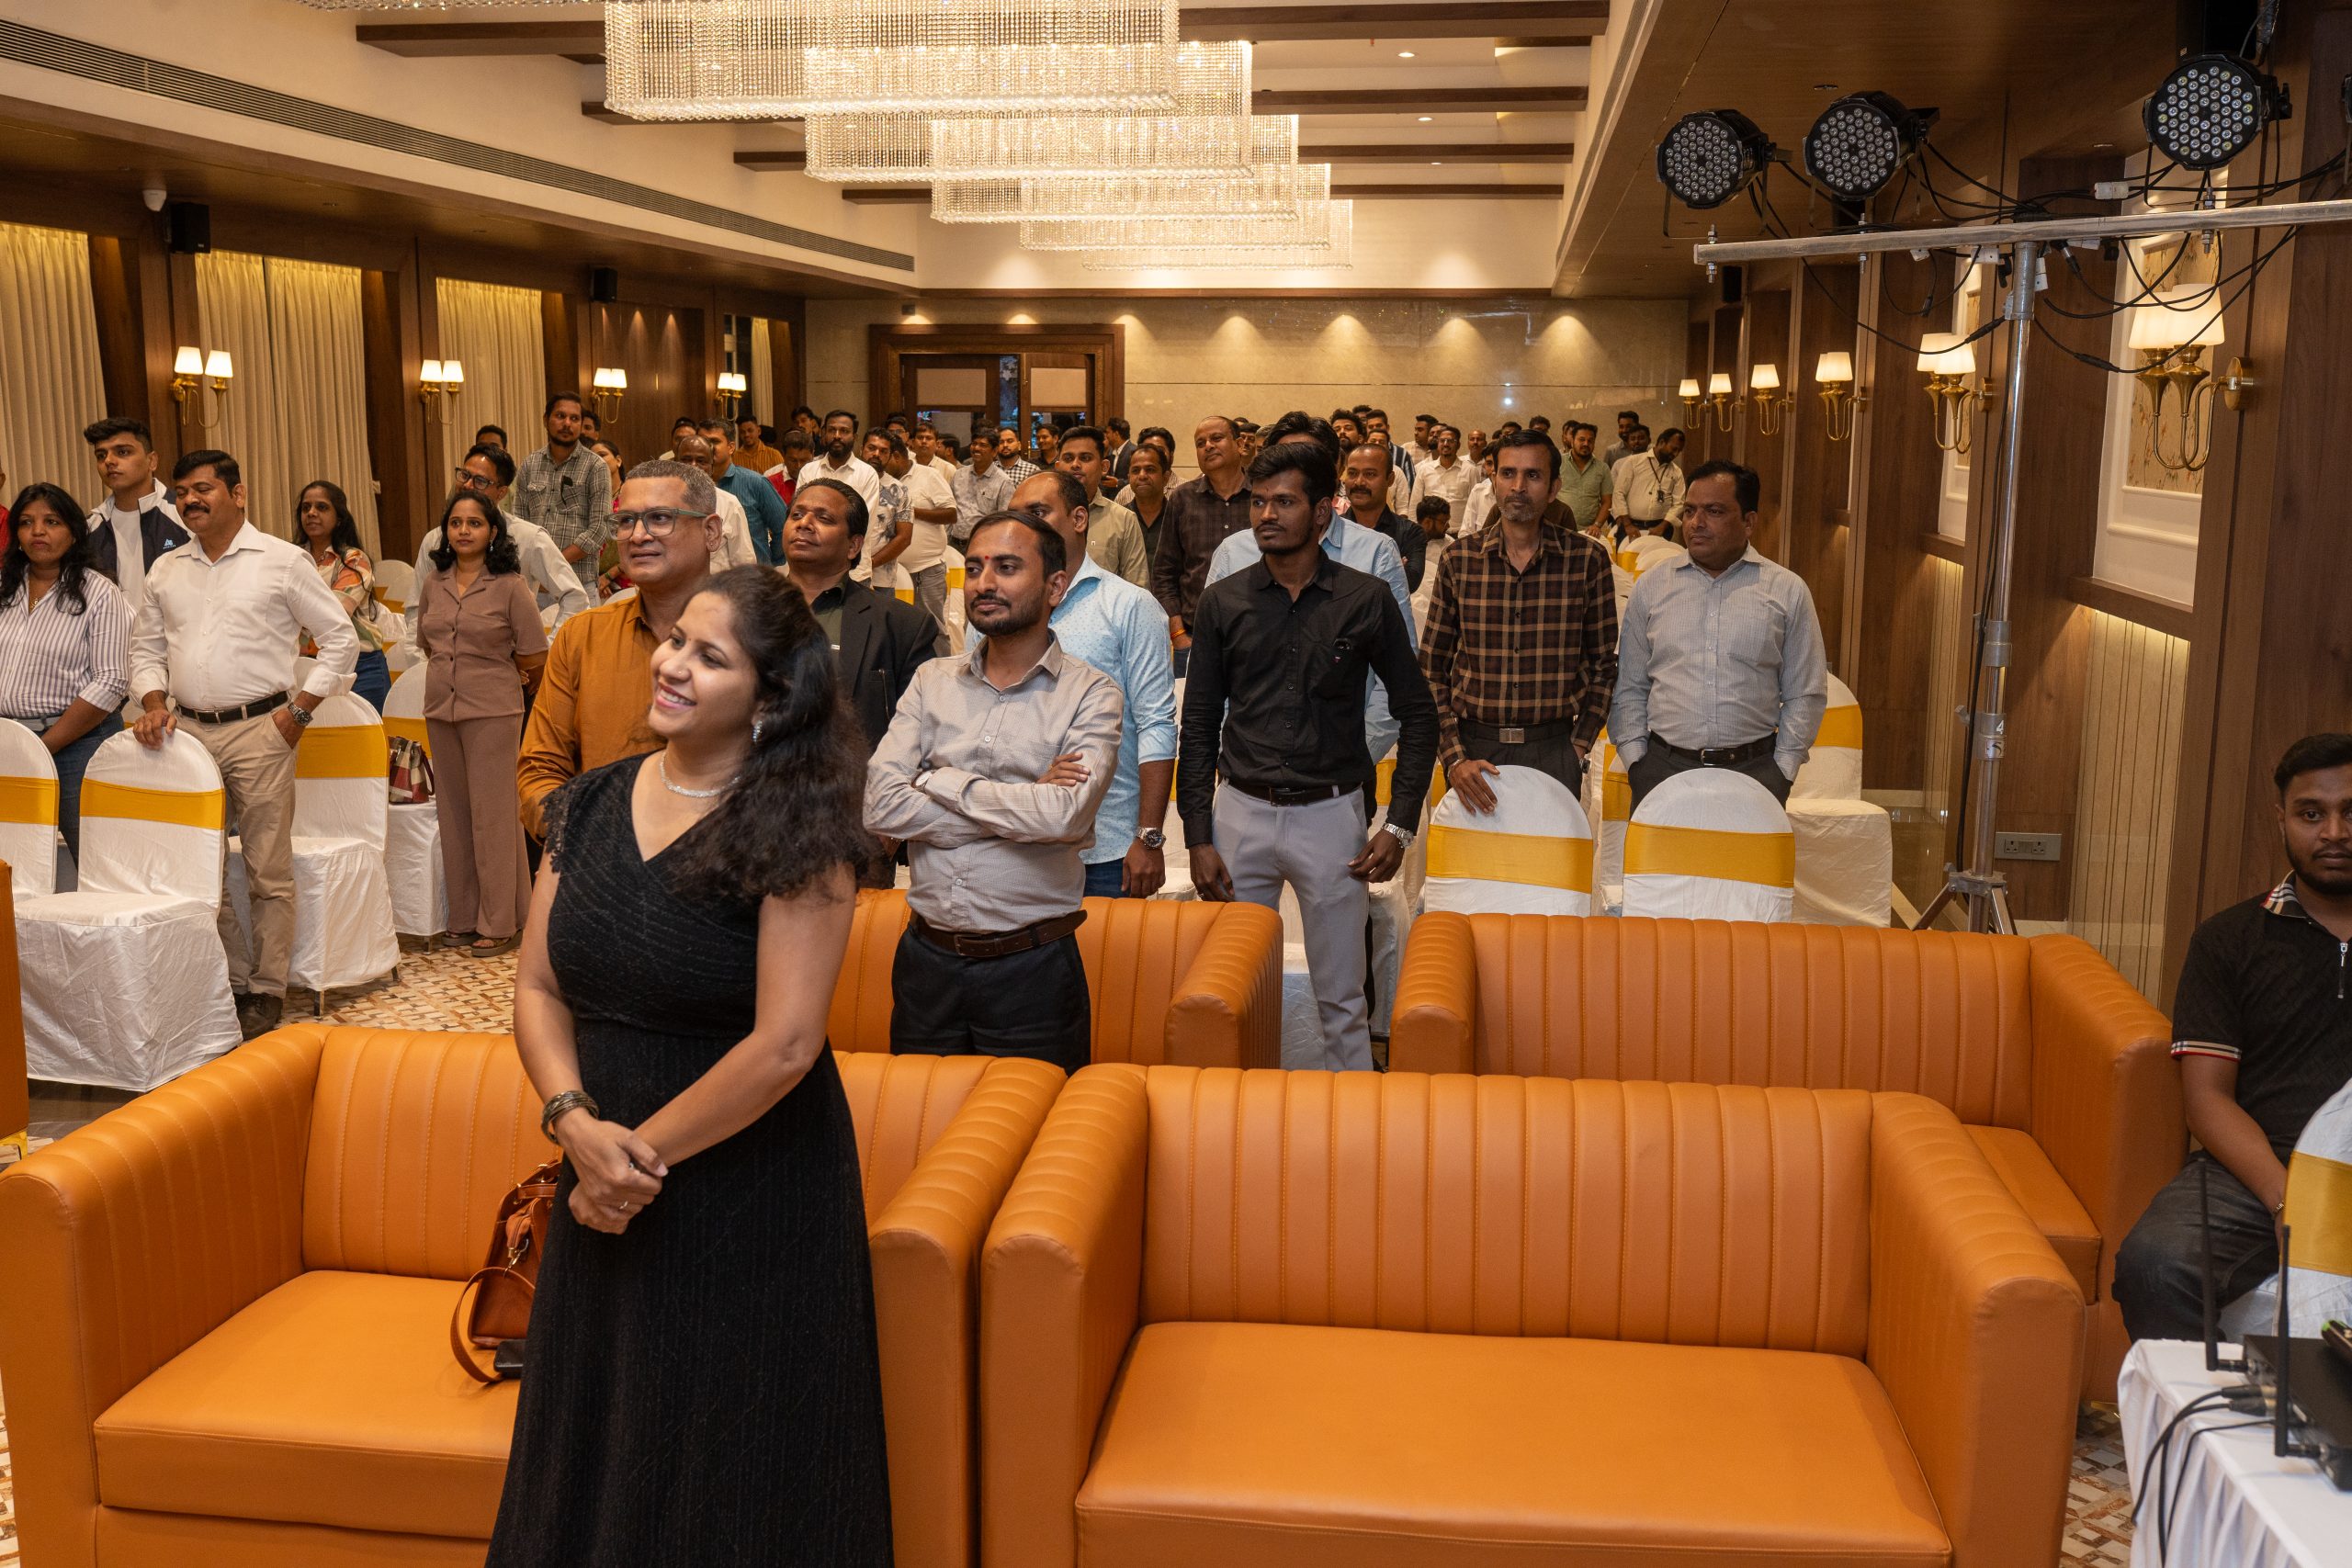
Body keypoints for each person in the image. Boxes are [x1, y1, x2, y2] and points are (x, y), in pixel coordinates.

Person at [488, 566, 892, 1568]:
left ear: (770, 697)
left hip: (744, 1183)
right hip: (601, 1168)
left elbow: (786, 1044)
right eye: (676, 641)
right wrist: (575, 1123)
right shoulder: (587, 802)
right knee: (593, 1431)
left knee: (729, 1460)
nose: (671, 665)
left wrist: (631, 1162)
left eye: (710, 658)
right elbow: (537, 986)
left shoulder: (799, 830)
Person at [1180, 443, 1438, 1073]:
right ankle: (1237, 1119)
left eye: (1284, 502)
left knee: (1343, 1002)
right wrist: (1198, 836)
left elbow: (1419, 713)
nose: (1266, 515)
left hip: (1331, 817)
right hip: (1240, 813)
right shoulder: (1225, 601)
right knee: (1230, 995)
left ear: (1323, 511)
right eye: (1258, 502)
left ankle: (1352, 1128)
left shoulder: (1365, 598)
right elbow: (1199, 722)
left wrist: (1399, 825)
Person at [2112, 734, 2352, 1342]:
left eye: (2351, 812)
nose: (2334, 832)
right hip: (2257, 1169)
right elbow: (2207, 1100)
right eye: (2311, 814)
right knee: (2156, 1265)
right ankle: (2212, 1405)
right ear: (2282, 818)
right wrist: (2287, 1200)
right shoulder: (2228, 940)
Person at [865, 511, 1121, 1076]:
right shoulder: (931, 681)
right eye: (976, 567)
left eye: (1007, 567)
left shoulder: (1092, 694)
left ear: (1055, 586)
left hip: (1032, 970)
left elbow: (1064, 816)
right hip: (925, 963)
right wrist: (1025, 800)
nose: (984, 582)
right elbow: (880, 803)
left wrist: (936, 780)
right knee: (921, 1118)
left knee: (1034, 1123)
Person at [127, 449, 359, 1039]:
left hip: (263, 729)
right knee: (201, 866)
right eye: (182, 492)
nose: (190, 501)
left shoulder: (281, 561)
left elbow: (340, 638)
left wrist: (299, 712)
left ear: (238, 494)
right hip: (186, 735)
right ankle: (230, 981)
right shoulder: (166, 569)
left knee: (266, 870)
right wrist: (153, 703)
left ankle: (267, 988)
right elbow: (146, 650)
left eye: (203, 489)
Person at [519, 460, 719, 841]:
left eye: (660, 518)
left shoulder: (758, 637)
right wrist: (591, 838)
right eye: (626, 521)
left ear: (710, 531)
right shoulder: (582, 637)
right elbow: (540, 770)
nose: (638, 536)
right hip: (597, 853)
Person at [1611, 460, 1826, 808]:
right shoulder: (1652, 586)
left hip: (1754, 772)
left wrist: (1782, 772)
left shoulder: (1787, 591)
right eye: (1690, 510)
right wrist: (1638, 763)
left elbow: (1805, 693)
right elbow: (1629, 686)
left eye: (1714, 511)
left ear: (1749, 522)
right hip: (1663, 769)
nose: (1695, 523)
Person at [1420, 430, 1618, 805]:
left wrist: (1577, 747)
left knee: (1551, 845)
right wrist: (1453, 756)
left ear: (1554, 487)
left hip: (1554, 748)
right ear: (1493, 480)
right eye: (1508, 473)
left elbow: (1604, 666)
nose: (1518, 487)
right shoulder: (1460, 560)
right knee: (1470, 847)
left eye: (1533, 475)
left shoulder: (1586, 561)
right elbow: (1431, 669)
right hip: (1474, 750)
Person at [1006, 469, 1176, 898]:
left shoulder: (1128, 607)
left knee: (1109, 946)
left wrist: (1149, 836)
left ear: (1079, 519)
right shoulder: (997, 608)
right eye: (1015, 515)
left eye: (1038, 512)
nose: (1023, 526)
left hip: (1108, 847)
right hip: (1014, 841)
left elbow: (1156, 724)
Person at [1207, 416, 1417, 762]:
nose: (1293, 472)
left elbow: (1396, 676)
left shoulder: (1375, 552)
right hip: (1247, 768)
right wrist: (1231, 752)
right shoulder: (1234, 553)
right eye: (1283, 460)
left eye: (1308, 460)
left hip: (1345, 766)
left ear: (1333, 473)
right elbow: (1211, 674)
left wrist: (1354, 756)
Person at [416, 491, 548, 957]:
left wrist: (505, 681)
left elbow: (534, 654)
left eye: (474, 523)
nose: (464, 530)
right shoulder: (434, 582)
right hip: (441, 708)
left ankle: (501, 920)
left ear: (493, 531)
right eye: (456, 523)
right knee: (454, 815)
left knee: (493, 816)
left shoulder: (510, 585)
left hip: (493, 710)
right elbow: (428, 643)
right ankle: (465, 917)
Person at [0, 482, 130, 860]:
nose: (37, 531)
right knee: (14, 861)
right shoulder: (4, 588)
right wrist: (21, 747)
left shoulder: (100, 593)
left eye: (51, 521)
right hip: (10, 744)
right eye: (26, 522)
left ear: (73, 532)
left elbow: (111, 681)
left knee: (96, 860)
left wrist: (45, 746)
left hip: (80, 746)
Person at [779, 477, 937, 754]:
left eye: (824, 518)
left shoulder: (902, 626)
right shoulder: (743, 610)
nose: (804, 524)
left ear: (854, 546)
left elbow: (921, 732)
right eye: (797, 515)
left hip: (854, 773)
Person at [413, 444, 590, 635]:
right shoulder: (434, 539)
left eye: (480, 481)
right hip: (443, 652)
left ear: (501, 492)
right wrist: (422, 653)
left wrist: (553, 646)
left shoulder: (529, 538)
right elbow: (416, 610)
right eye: (464, 475)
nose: (467, 485)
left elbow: (575, 597)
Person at [1149, 415, 1253, 653]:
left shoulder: (1262, 495)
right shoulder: (1182, 498)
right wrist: (1178, 634)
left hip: (1256, 635)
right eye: (1200, 443)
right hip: (1194, 636)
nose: (1208, 446)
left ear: (1239, 445)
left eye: (1216, 438)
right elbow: (1164, 572)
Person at [291, 480, 398, 711]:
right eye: (306, 508)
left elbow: (335, 614)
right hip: (304, 666)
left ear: (339, 517)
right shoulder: (291, 558)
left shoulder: (354, 560)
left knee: (363, 734)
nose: (311, 513)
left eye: (321, 507)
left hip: (361, 667)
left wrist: (291, 612)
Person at [508, 393, 614, 603]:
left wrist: (552, 564)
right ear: (546, 420)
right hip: (535, 587)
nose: (567, 423)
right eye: (560, 416)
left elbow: (599, 529)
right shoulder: (530, 464)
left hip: (579, 583)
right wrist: (537, 568)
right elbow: (518, 523)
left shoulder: (595, 466)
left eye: (574, 418)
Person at [84, 416, 187, 618]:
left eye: (123, 452)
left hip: (176, 635)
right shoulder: (88, 527)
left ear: (152, 461)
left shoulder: (185, 514)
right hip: (111, 636)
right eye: (101, 455)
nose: (109, 461)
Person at [876, 428, 955, 644]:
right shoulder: (881, 481)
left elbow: (951, 514)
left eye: (885, 456)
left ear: (896, 456)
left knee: (932, 630)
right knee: (898, 633)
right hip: (890, 571)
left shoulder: (929, 475)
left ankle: (940, 667)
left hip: (925, 570)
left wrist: (909, 510)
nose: (880, 462)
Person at [1052, 425, 1149, 588]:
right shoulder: (1040, 517)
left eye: (1085, 458)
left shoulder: (1123, 519)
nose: (1075, 464)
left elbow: (1137, 587)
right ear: (1057, 468)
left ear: (1104, 467)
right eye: (1068, 459)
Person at [698, 417, 789, 566]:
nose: (708, 447)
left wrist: (768, 564)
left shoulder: (755, 482)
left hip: (753, 575)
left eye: (714, 441)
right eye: (703, 442)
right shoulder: (691, 488)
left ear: (731, 447)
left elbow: (783, 528)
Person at [1344, 441, 1429, 593]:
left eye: (1370, 474)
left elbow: (1408, 584)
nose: (1359, 482)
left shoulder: (1410, 533)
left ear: (1390, 479)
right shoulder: (1330, 528)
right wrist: (1390, 569)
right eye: (1352, 473)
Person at [673, 431, 762, 571]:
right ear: (675, 463)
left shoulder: (729, 504)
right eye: (686, 460)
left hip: (718, 584)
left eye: (701, 461)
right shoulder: (660, 503)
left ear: (711, 467)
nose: (693, 466)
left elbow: (745, 565)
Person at [797, 409, 882, 521]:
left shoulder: (867, 474)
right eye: (831, 430)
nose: (837, 436)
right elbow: (800, 513)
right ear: (824, 434)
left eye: (844, 431)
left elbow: (865, 521)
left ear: (855, 437)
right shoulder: (808, 471)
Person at [1613, 426, 1687, 542]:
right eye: (1674, 449)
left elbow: (1679, 503)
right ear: (1661, 442)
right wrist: (1627, 525)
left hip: (1661, 529)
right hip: (1631, 527)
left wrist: (1662, 526)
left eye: (1679, 451)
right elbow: (1619, 493)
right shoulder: (1634, 462)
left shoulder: (1676, 472)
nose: (1676, 454)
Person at [950, 424, 1016, 551]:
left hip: (985, 546)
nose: (976, 448)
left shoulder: (1004, 482)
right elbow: (950, 509)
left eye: (983, 445)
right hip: (954, 543)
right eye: (974, 444)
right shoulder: (958, 475)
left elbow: (1005, 520)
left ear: (994, 451)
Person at [1406, 423, 1476, 532]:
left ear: (1458, 445)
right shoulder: (1425, 470)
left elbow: (1475, 505)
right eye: (1442, 440)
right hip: (1429, 533)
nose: (1446, 444)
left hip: (1459, 533)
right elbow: (1415, 504)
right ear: (1438, 443)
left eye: (1450, 441)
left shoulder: (1470, 470)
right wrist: (1415, 532)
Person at [1557, 422, 1614, 534]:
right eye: (1581, 439)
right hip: (1559, 528)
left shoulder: (1602, 468)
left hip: (1589, 532)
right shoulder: (1558, 462)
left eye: (1590, 441)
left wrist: (1597, 525)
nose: (1586, 444)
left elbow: (1607, 502)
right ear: (1572, 441)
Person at [1125, 441, 1172, 567]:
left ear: (1166, 477)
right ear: (1129, 478)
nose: (1142, 476)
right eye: (1136, 470)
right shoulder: (1119, 518)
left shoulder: (1178, 518)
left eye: (1150, 469)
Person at [735, 412, 786, 479]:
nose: (746, 435)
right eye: (742, 432)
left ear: (759, 431)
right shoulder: (734, 457)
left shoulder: (774, 455)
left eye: (750, 430)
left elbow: (783, 479)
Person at [1105, 415, 1136, 482]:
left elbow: (1135, 478)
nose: (1106, 436)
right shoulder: (1112, 452)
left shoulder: (1133, 451)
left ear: (1116, 434)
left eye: (1108, 432)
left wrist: (1118, 483)